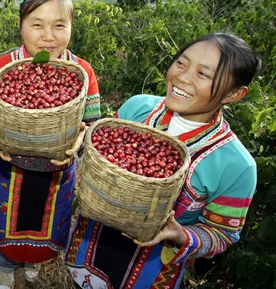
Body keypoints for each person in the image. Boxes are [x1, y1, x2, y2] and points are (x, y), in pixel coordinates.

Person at [65, 33, 261, 289]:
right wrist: (81, 147)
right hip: (91, 244)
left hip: (152, 271)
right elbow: (100, 161)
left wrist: (182, 235)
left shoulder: (236, 166)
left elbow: (223, 234)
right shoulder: (137, 109)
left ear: (234, 94)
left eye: (203, 74)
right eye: (181, 63)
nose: (183, 77)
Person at [0, 0, 101, 289]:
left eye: (59, 25)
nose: (49, 36)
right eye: (37, 24)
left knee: (48, 223)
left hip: (57, 173)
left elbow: (91, 122)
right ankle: (6, 268)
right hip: (9, 170)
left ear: (72, 27)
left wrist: (80, 140)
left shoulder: (83, 73)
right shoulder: (1, 68)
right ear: (21, 25)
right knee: (6, 221)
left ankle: (34, 263)